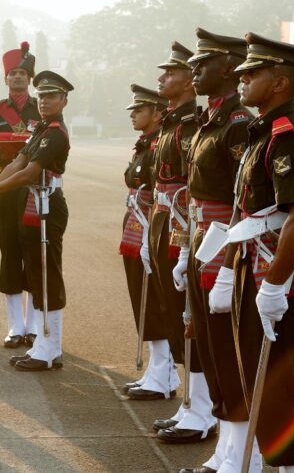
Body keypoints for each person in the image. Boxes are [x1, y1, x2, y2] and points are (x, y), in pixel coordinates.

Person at [209, 33, 294, 473]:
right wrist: (227, 274)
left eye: (252, 73)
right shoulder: (264, 134)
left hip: (284, 277)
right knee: (266, 389)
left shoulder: (288, 137)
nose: (241, 78)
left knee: (285, 391)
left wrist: (275, 285)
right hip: (256, 270)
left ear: (280, 83)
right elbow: (245, 215)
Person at [174, 29, 258, 472]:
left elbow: (246, 200)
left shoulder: (239, 123)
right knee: (211, 351)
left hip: (228, 252)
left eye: (202, 64)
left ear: (228, 68)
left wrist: (225, 264)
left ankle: (247, 456)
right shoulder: (211, 121)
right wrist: (189, 252)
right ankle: (226, 450)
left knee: (230, 355)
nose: (193, 71)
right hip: (206, 245)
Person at [0, 70, 73, 371]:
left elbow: (29, 172)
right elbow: (18, 161)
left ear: (64, 101)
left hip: (47, 205)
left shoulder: (55, 132)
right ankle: (44, 346)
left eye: (52, 96)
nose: (45, 101)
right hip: (34, 203)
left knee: (47, 274)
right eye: (43, 96)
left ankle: (51, 346)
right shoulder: (42, 128)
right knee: (37, 273)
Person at [142, 42, 218, 445]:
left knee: (192, 320)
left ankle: (203, 409)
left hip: (185, 227)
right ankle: (191, 402)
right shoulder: (173, 122)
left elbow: (195, 186)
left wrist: (186, 243)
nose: (161, 79)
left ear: (189, 78)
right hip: (166, 223)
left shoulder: (191, 124)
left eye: (168, 73)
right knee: (175, 315)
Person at [118, 84, 179, 397]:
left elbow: (161, 193)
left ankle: (165, 373)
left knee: (157, 302)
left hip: (152, 229)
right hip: (137, 227)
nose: (133, 115)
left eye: (139, 110)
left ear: (158, 112)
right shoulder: (144, 144)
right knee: (141, 297)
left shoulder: (159, 145)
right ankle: (158, 369)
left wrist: (148, 239)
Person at [0, 42, 42, 348]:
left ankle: (33, 324)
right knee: (9, 250)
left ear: (29, 78)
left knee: (32, 250)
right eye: (12, 74)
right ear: (5, 79)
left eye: (22, 73)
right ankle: (14, 325)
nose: (17, 78)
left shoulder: (40, 108)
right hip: (5, 184)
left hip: (34, 184)